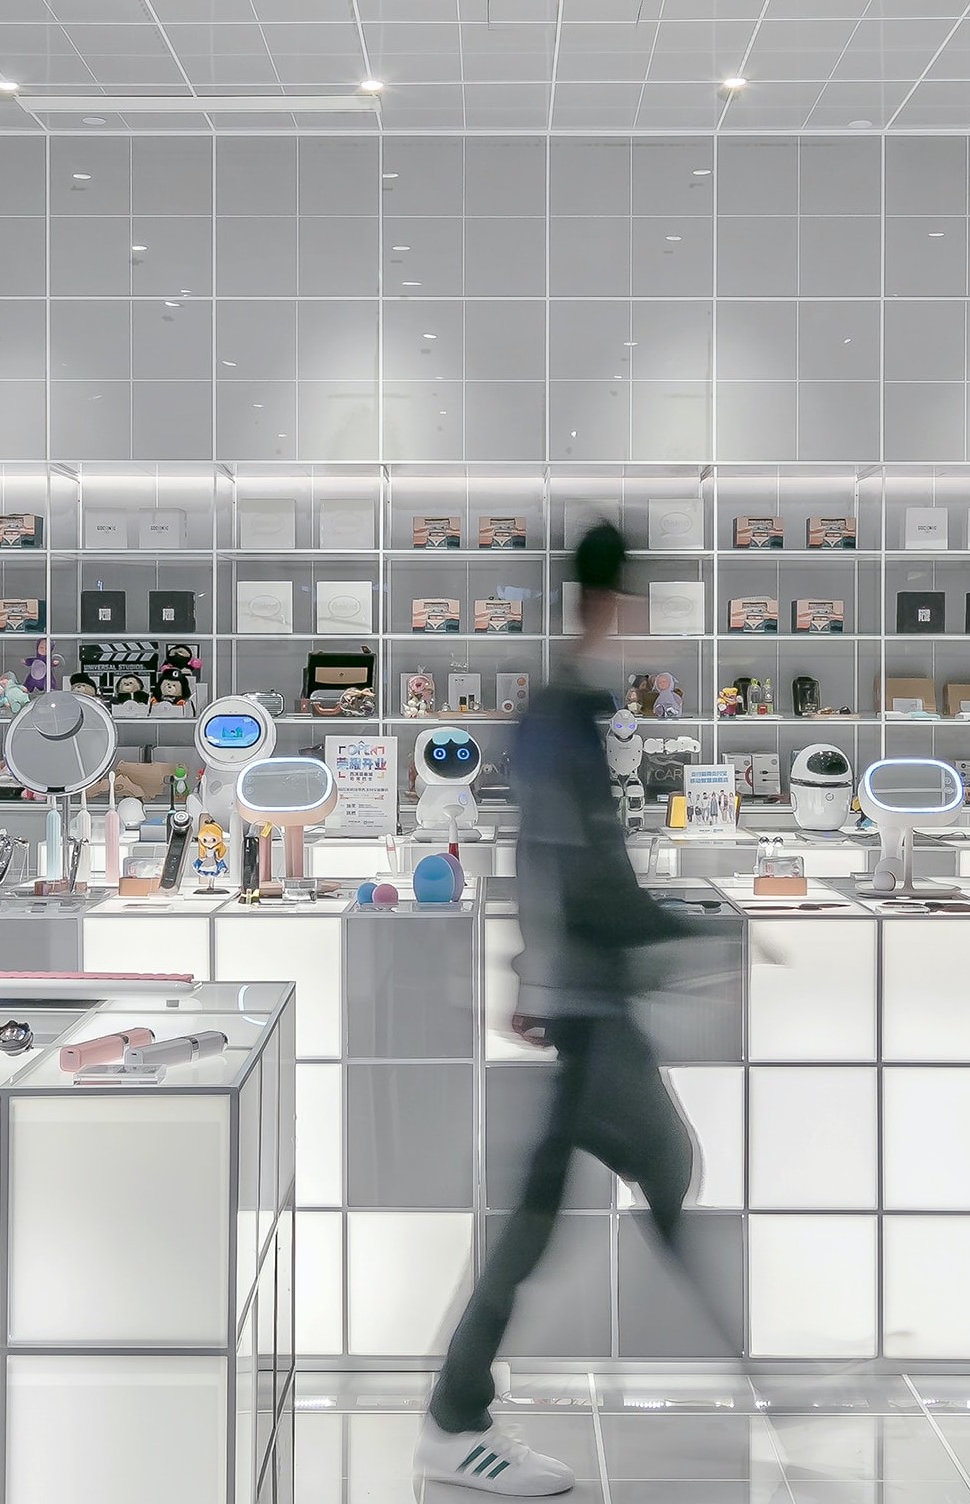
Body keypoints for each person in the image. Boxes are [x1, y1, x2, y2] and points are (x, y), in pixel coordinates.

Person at [416, 522, 732, 1496]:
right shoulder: (565, 717)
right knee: (633, 1182)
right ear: (608, 607)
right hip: (594, 1007)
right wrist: (705, 936)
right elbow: (590, 883)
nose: (643, 627)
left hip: (587, 1002)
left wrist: (527, 971)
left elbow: (541, 861)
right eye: (635, 607)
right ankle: (455, 1414)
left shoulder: (566, 713)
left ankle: (459, 1408)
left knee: (607, 1188)